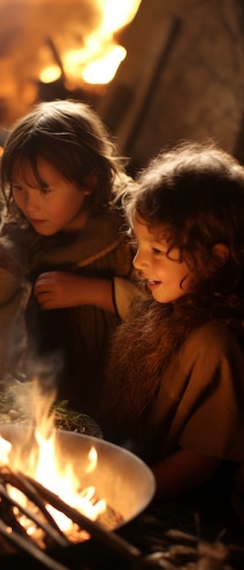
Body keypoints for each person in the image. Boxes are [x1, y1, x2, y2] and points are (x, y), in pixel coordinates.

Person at [0, 99, 141, 414]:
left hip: (126, 393)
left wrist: (94, 291)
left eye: (44, 190)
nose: (30, 204)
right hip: (46, 390)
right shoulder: (20, 230)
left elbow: (167, 312)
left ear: (88, 182)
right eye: (19, 188)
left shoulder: (131, 225)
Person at [100, 141, 244, 507]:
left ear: (214, 260)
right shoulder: (158, 307)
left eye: (157, 251)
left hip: (167, 504)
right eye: (139, 245)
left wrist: (122, 498)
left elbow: (200, 462)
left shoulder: (214, 344)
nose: (138, 263)